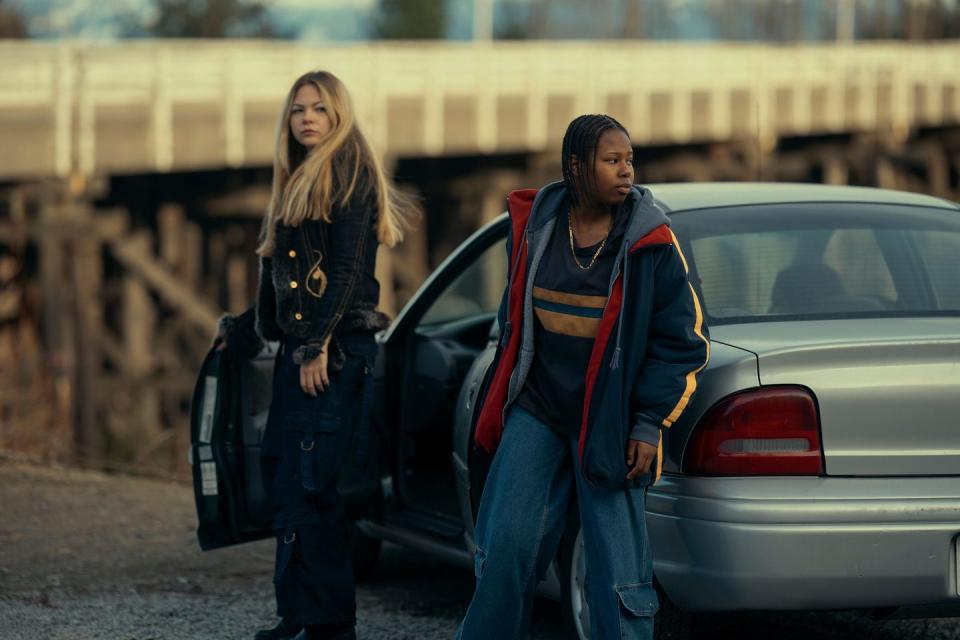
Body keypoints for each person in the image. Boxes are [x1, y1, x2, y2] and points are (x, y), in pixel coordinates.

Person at [457, 114, 710, 639]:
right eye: (612, 161)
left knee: (618, 577)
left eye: (629, 160)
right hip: (539, 409)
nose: (626, 172)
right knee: (504, 548)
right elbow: (514, 321)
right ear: (577, 166)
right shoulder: (536, 227)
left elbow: (681, 343)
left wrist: (647, 423)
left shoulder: (652, 242)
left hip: (610, 421)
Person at [215, 70, 419, 640]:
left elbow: (348, 272)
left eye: (319, 108)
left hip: (332, 353)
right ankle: (298, 616)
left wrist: (314, 348)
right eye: (298, 108)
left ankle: (328, 627)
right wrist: (244, 331)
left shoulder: (349, 170)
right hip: (302, 351)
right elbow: (277, 273)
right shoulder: (297, 177)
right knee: (287, 479)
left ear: (338, 116)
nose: (306, 117)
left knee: (311, 486)